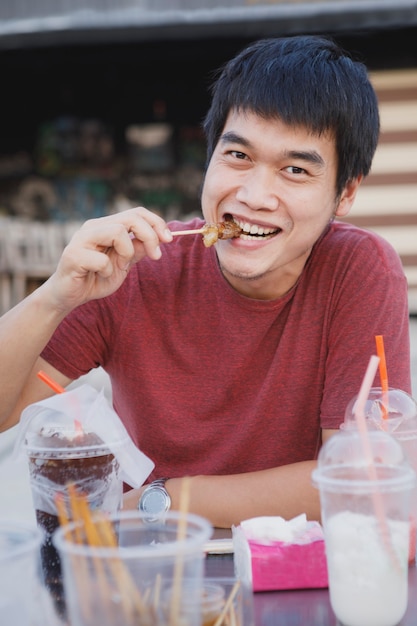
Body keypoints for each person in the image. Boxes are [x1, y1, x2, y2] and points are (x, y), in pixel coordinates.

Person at [0, 35, 411, 528]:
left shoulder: (359, 271)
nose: (256, 195)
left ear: (345, 193)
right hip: (154, 571)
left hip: (294, 570)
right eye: (238, 157)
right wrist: (53, 296)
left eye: (295, 169)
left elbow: (358, 482)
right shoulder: (138, 266)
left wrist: (168, 498)